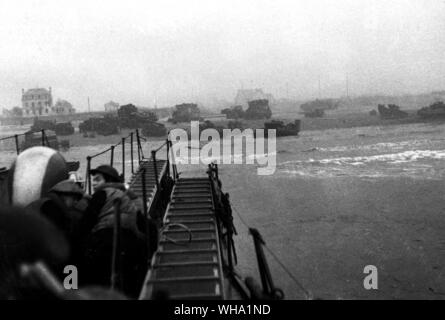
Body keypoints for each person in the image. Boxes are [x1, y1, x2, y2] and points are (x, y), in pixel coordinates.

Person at [80, 165, 147, 298]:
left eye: (97, 179)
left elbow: (86, 222)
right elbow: (144, 221)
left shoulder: (102, 193)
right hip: (130, 245)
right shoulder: (128, 197)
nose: (93, 182)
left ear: (108, 180)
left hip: (105, 244)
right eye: (93, 179)